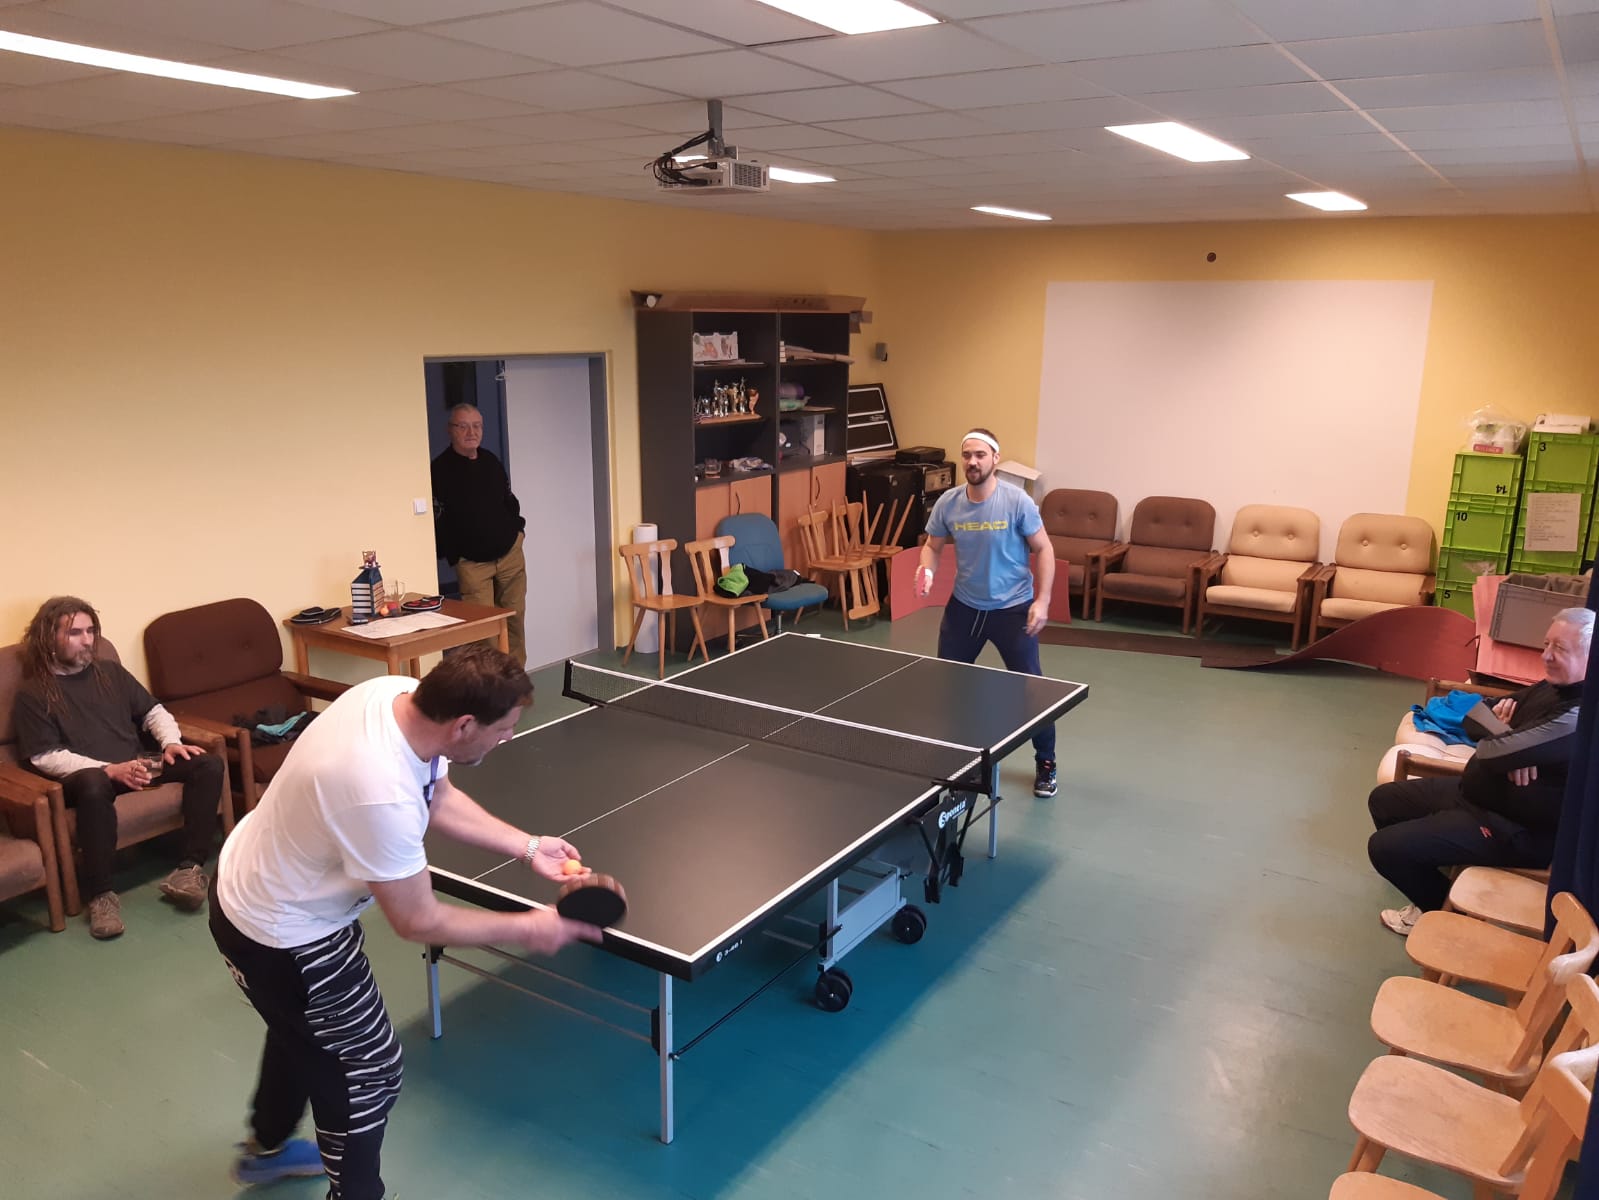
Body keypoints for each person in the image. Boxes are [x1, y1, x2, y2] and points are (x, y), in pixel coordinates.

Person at [210, 644, 598, 1199]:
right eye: (504, 729)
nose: (509, 738)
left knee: (304, 1031)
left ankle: (265, 1151)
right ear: (465, 725)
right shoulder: (378, 792)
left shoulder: (393, 697)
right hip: (285, 935)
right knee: (368, 1069)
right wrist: (532, 928)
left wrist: (527, 846)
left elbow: (434, 793)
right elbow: (417, 921)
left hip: (253, 885)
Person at [1367, 606, 1592, 936]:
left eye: (1559, 648)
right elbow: (1474, 716)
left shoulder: (1580, 715)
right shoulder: (1552, 686)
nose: (1546, 656)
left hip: (1512, 829)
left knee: (1385, 849)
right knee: (1385, 801)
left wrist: (1505, 743)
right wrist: (1512, 743)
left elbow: (1487, 753)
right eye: (1546, 644)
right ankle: (1433, 888)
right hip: (1477, 795)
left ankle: (1450, 917)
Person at [13, 596, 225, 940]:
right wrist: (110, 769)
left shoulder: (109, 672)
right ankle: (101, 896)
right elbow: (45, 756)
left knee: (207, 764)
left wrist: (171, 743)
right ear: (48, 637)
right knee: (94, 783)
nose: (87, 640)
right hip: (87, 781)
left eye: (90, 631)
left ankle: (189, 870)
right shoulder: (33, 693)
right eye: (75, 633)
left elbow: (153, 711)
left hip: (137, 766)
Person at [916, 428, 1059, 798]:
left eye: (980, 455)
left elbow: (1044, 549)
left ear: (995, 458)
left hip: (1012, 609)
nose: (972, 462)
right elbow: (932, 546)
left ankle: (1046, 762)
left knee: (1032, 689)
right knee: (950, 686)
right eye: (967, 455)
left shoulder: (1016, 501)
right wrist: (927, 569)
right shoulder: (948, 502)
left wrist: (1042, 600)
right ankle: (955, 761)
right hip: (965, 608)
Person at [430, 402, 528, 668]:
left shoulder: (491, 461)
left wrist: (518, 532)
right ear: (450, 430)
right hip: (473, 564)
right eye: (463, 426)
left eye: (477, 426)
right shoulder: (439, 470)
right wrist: (454, 554)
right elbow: (437, 518)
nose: (471, 432)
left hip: (509, 555)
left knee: (515, 619)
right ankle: (490, 682)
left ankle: (515, 677)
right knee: (483, 630)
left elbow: (509, 501)